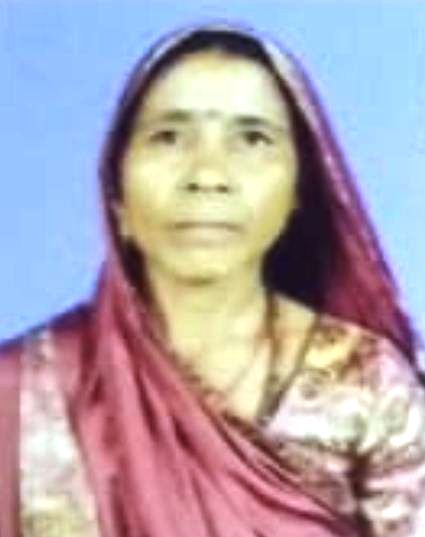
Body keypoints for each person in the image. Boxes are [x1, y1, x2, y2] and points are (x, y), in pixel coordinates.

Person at [1, 22, 424, 537]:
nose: (208, 175)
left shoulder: (368, 385)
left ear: (301, 189)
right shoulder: (23, 390)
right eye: (169, 137)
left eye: (252, 139)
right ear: (115, 193)